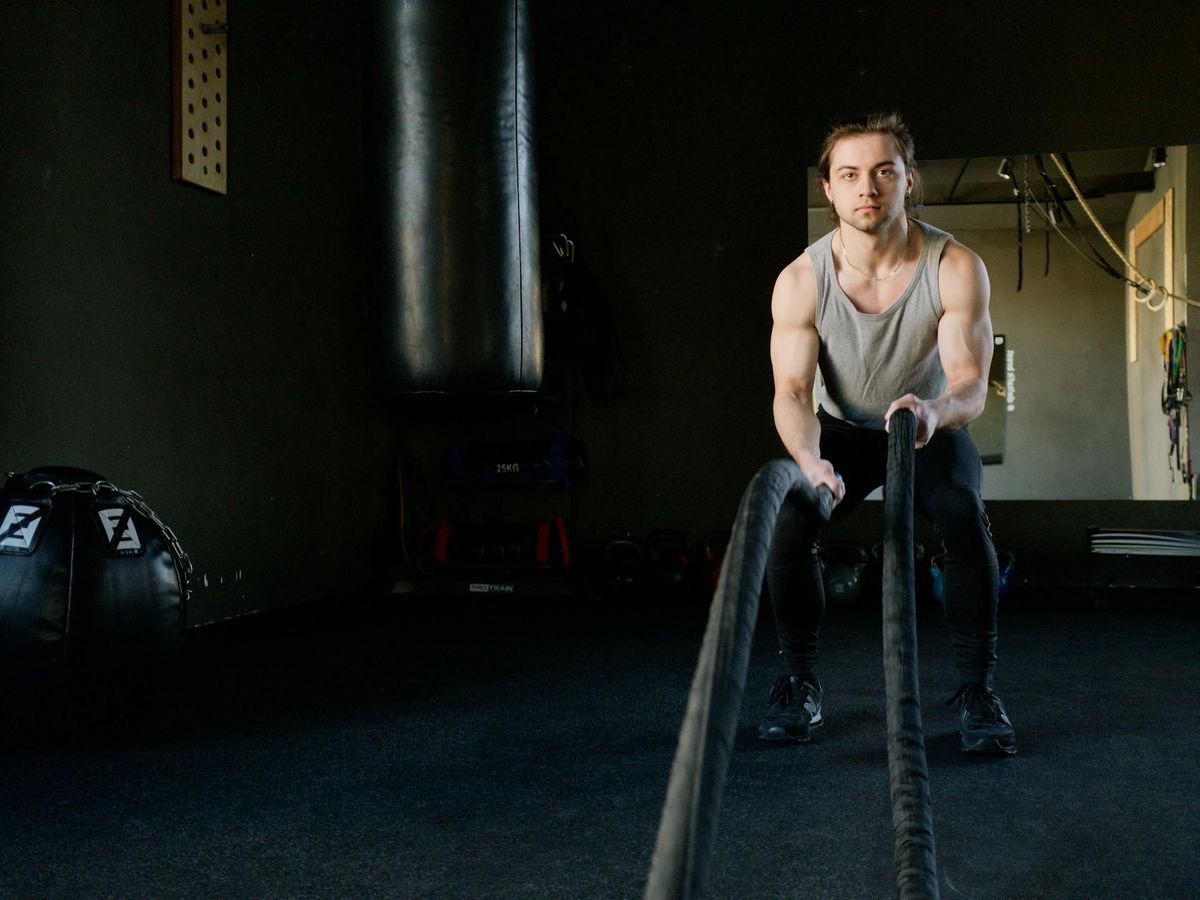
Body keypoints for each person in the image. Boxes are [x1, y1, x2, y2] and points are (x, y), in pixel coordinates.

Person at [759, 112, 1016, 755]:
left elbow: (970, 383)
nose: (866, 188)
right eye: (849, 175)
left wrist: (934, 411)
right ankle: (800, 683)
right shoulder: (800, 280)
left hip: (923, 424)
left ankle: (979, 691)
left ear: (908, 180)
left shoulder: (954, 265)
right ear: (830, 189)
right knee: (791, 520)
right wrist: (809, 460)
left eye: (882, 171)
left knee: (960, 510)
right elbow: (791, 393)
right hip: (841, 430)